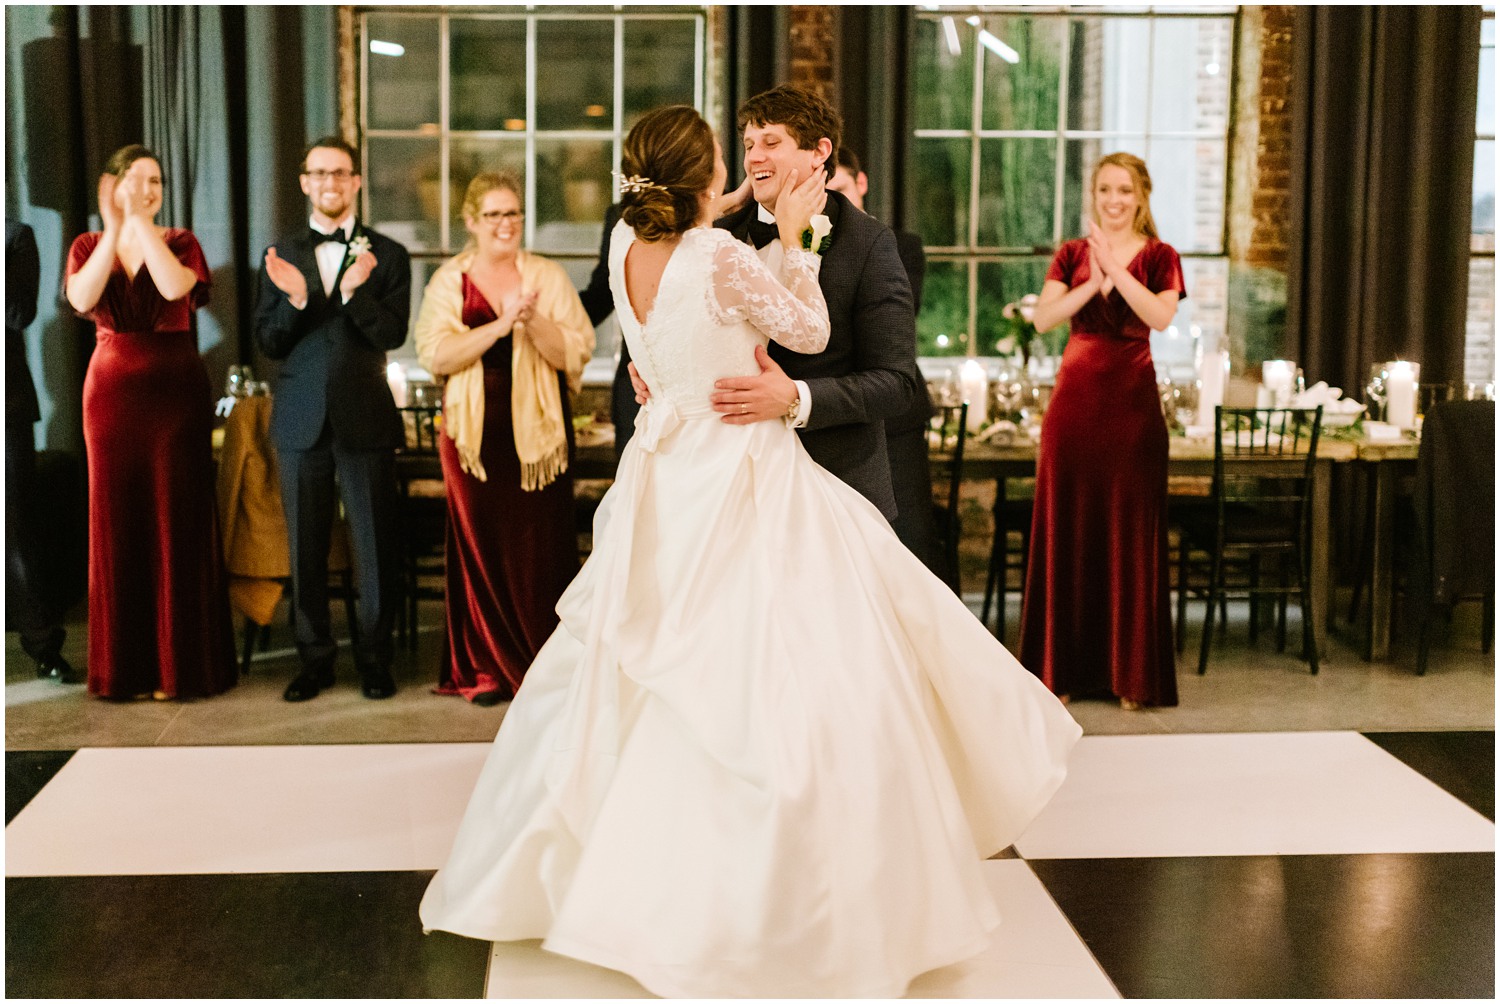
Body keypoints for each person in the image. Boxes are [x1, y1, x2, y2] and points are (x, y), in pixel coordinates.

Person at [419, 105, 1080, 998]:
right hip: (742, 476)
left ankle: (626, 882)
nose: (754, 159)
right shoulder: (720, 252)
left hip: (669, 471)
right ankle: (780, 908)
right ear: (705, 176)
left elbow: (886, 375)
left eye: (771, 144)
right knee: (768, 689)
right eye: (739, 150)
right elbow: (804, 332)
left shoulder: (627, 243)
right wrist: (798, 238)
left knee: (658, 676)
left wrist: (734, 217)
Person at [413, 171, 595, 706]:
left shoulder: (546, 276)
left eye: (512, 213)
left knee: (541, 550)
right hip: (473, 439)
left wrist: (533, 319)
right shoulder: (451, 279)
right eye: (493, 214)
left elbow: (574, 353)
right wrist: (498, 326)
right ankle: (484, 668)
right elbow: (435, 354)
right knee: (480, 550)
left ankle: (542, 665)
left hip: (539, 438)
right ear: (471, 221)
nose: (505, 223)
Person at [63, 145, 236, 700]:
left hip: (175, 393)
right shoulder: (88, 245)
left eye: (155, 181)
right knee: (117, 523)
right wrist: (116, 230)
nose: (146, 189)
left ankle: (177, 668)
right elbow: (82, 297)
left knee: (175, 521)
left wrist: (141, 223)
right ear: (110, 185)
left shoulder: (181, 242)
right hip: (110, 398)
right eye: (134, 180)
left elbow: (171, 289)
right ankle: (125, 670)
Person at [1018, 152, 1185, 709]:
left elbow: (1160, 318)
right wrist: (1094, 278)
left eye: (1125, 191)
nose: (1114, 200)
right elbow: (1044, 318)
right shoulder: (1070, 254)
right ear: (1094, 195)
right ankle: (1059, 670)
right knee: (1068, 529)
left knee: (1129, 533)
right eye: (1105, 190)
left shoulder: (1161, 256)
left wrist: (1116, 272)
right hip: (1075, 406)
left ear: (1141, 197)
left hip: (1133, 406)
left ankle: (1131, 676)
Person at [254, 136, 411, 702]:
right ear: (304, 182)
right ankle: (314, 660)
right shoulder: (280, 254)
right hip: (299, 421)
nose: (330, 183)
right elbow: (268, 342)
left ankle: (374, 659)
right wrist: (298, 301)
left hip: (365, 416)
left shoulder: (388, 255)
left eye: (340, 173)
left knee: (373, 548)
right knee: (306, 548)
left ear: (356, 182)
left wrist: (352, 292)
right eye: (319, 173)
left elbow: (392, 334)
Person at [827, 146, 947, 582]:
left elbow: (892, 324)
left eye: (839, 188)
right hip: (827, 413)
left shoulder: (899, 245)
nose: (831, 200)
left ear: (861, 184)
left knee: (912, 537)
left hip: (894, 414)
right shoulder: (800, 245)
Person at [8, 219, 81, 684]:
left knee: (15, 529)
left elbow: (17, 314)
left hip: (3, 404)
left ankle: (41, 642)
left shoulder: (14, 236)